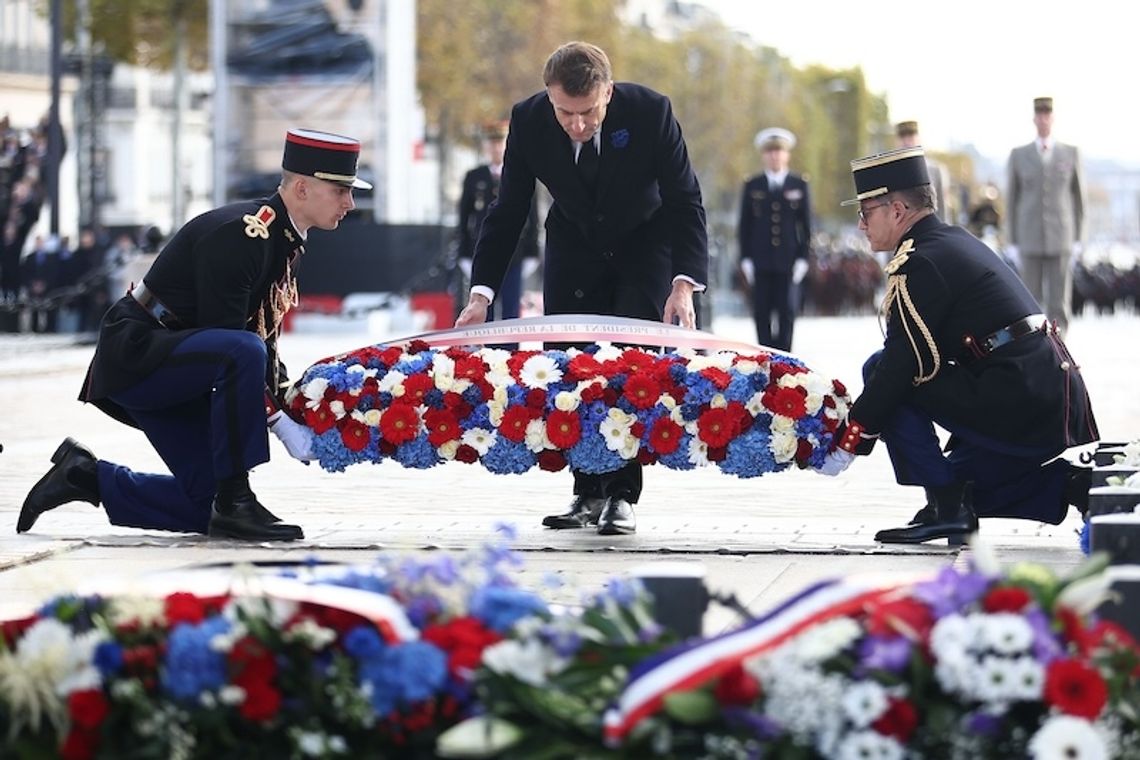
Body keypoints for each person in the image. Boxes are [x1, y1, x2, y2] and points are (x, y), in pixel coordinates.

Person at [17, 128, 370, 541]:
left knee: (206, 507)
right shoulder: (245, 235)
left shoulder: (283, 240)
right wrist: (278, 422)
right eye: (340, 190)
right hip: (142, 357)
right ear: (302, 187)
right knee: (239, 353)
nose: (349, 202)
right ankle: (237, 499)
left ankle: (85, 477)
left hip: (181, 367)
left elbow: (262, 340)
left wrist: (298, 407)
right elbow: (233, 343)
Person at [454, 41, 709, 536]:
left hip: (642, 246)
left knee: (628, 369)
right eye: (564, 112)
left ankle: (621, 496)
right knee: (570, 367)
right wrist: (481, 294)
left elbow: (685, 200)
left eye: (587, 112)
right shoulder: (528, 119)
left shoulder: (651, 112)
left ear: (608, 93)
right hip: (573, 246)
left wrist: (683, 284)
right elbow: (508, 212)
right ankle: (587, 491)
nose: (575, 124)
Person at [817, 147, 1099, 544]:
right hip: (1038, 391)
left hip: (1021, 395)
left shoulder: (922, 259)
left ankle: (948, 506)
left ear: (897, 210)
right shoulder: (944, 242)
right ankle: (1073, 486)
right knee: (964, 482)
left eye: (866, 212)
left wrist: (850, 440)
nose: (861, 224)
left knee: (880, 369)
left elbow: (902, 363)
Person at [1006, 97, 1085, 335]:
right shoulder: (1019, 155)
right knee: (1030, 301)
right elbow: (1012, 199)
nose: (1043, 119)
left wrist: (1079, 238)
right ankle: (1036, 350)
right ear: (1034, 119)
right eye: (1039, 115)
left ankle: (1060, 352)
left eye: (1047, 114)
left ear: (1053, 118)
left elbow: (1078, 199)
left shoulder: (1070, 153)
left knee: (1059, 302)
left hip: (1061, 236)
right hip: (1029, 237)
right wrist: (1012, 241)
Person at [456, 120, 540, 321]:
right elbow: (464, 217)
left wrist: (532, 251)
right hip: (481, 250)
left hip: (514, 252)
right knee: (483, 307)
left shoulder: (521, 173)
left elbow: (533, 215)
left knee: (511, 308)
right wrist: (464, 252)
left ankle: (509, 351)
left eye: (500, 142)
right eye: (491, 142)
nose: (495, 147)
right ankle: (487, 351)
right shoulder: (474, 176)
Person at [737, 127, 811, 351]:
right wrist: (746, 258)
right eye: (770, 151)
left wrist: (803, 258)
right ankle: (765, 356)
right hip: (761, 260)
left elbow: (805, 225)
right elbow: (745, 224)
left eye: (779, 151)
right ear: (764, 155)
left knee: (787, 311)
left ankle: (785, 359)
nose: (775, 156)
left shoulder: (799, 184)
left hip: (788, 260)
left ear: (787, 155)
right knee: (762, 312)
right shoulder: (753, 185)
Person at [894, 120, 952, 223]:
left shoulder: (935, 170)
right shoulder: (891, 171)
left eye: (911, 136)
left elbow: (943, 209)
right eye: (903, 137)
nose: (907, 142)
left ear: (919, 138)